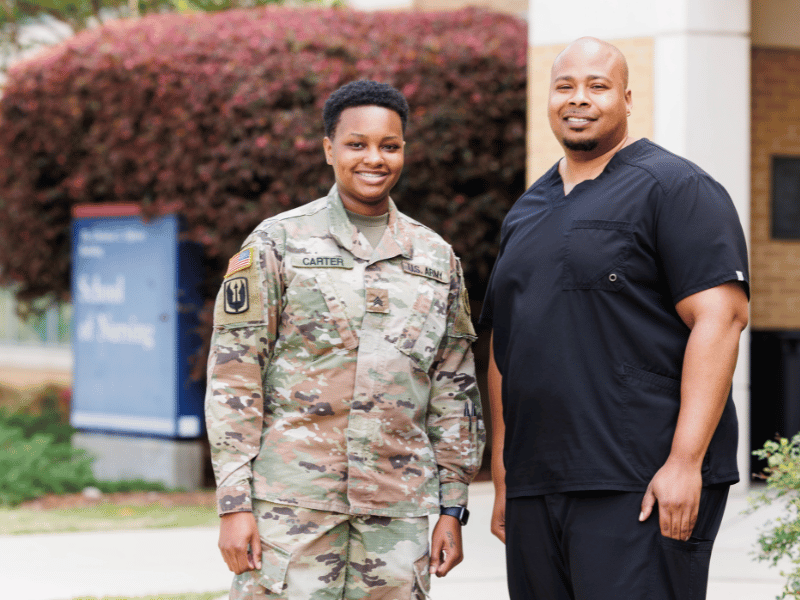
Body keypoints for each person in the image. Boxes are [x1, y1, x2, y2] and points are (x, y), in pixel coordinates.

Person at [480, 37, 750, 600]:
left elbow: (721, 318)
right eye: (565, 86)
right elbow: (506, 347)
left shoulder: (676, 188)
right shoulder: (527, 211)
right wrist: (506, 478)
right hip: (538, 484)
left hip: (639, 481)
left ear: (627, 99)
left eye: (597, 86)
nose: (579, 99)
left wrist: (684, 462)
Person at [204, 79, 484, 600]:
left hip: (397, 512)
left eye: (390, 145)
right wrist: (235, 502)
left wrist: (452, 505)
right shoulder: (277, 243)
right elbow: (234, 376)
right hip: (293, 507)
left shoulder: (435, 257)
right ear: (329, 148)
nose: (374, 158)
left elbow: (454, 388)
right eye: (357, 144)